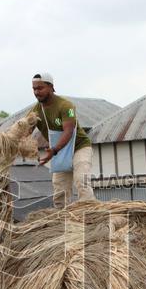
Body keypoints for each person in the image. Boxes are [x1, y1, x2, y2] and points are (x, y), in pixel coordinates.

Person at [32, 73, 95, 208]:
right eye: (34, 89)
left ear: (51, 87)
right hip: (58, 151)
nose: (37, 92)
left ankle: (90, 215)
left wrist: (54, 150)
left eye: (40, 88)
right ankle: (61, 219)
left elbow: (69, 131)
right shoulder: (36, 111)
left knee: (81, 181)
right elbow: (24, 129)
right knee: (59, 188)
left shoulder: (66, 106)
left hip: (79, 147)